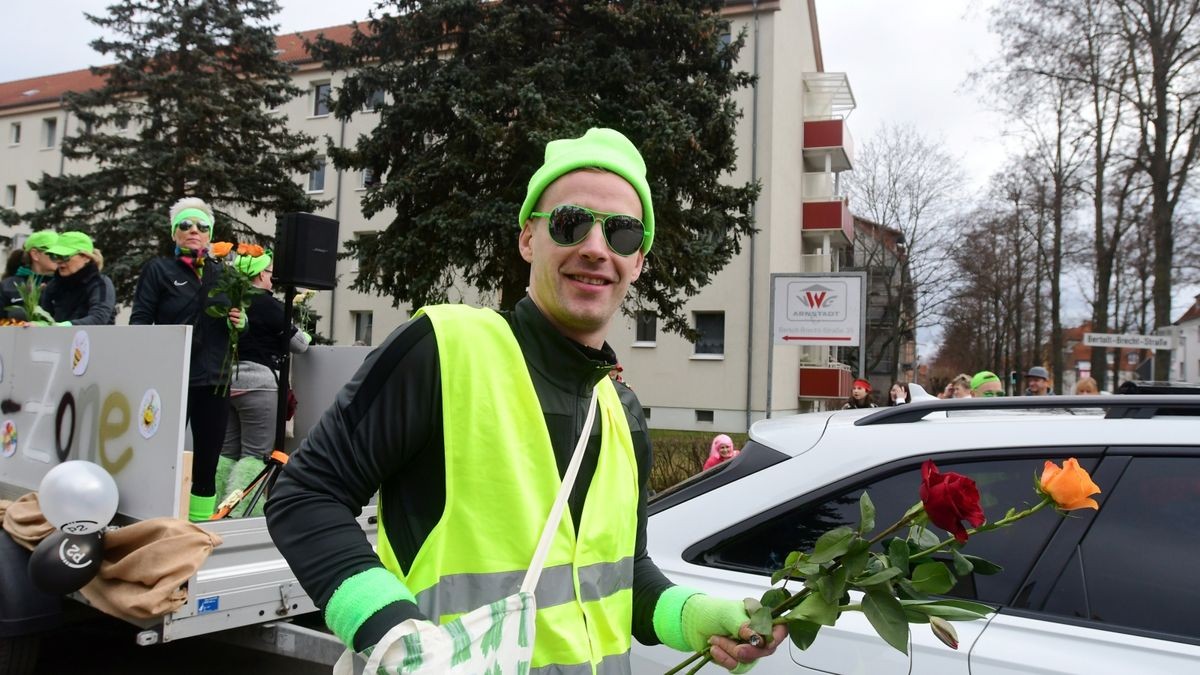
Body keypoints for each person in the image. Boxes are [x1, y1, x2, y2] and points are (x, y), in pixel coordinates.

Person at [265, 128, 785, 672]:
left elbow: (622, 577)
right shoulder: (443, 350)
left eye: (622, 233)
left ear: (639, 262)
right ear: (528, 239)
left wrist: (697, 616)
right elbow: (305, 497)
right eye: (570, 222)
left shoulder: (622, 411)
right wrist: (394, 634)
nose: (594, 247)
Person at [130, 198, 244, 522]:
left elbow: (237, 327)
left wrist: (241, 323)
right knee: (163, 457)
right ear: (174, 233)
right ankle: (156, 523)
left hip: (216, 381)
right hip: (172, 379)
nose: (193, 231)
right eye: (185, 225)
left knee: (207, 462)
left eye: (201, 227)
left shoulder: (226, 274)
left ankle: (198, 529)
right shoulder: (159, 270)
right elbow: (140, 322)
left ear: (210, 235)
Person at [216, 251, 310, 518]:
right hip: (260, 386)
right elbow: (299, 345)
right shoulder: (268, 304)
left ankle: (215, 508)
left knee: (227, 453)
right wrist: (305, 333)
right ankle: (243, 512)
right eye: (269, 272)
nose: (272, 278)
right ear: (259, 275)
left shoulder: (230, 299)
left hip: (228, 385)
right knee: (255, 455)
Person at [38, 232, 117, 326]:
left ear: (86, 257)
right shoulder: (53, 285)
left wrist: (66, 325)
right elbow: (44, 317)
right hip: (59, 339)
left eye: (65, 256)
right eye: (55, 256)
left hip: (95, 339)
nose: (59, 261)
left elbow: (99, 318)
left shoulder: (100, 283)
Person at [1, 230, 59, 318]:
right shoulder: (7, 286)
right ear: (35, 254)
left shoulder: (66, 284)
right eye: (54, 253)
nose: (60, 257)